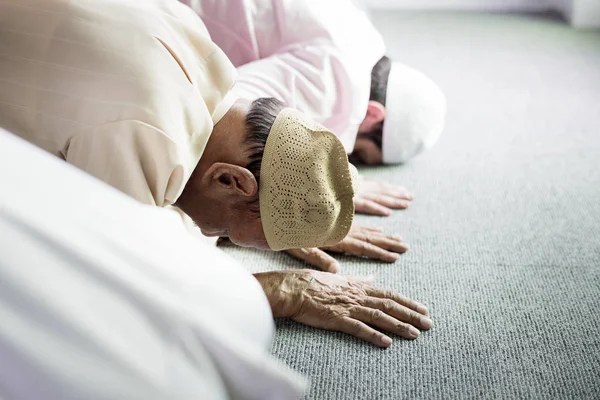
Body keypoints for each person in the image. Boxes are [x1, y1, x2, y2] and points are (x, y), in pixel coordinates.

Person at [0, 131, 432, 400]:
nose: (255, 245)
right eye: (270, 236)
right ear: (232, 181)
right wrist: (282, 289)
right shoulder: (138, 143)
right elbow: (113, 278)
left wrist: (289, 211)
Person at [0, 0, 368, 253]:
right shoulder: (149, 135)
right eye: (224, 231)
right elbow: (118, 267)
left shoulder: (196, 41)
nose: (210, 234)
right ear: (229, 180)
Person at [181, 0, 447, 208]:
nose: (351, 160)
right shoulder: (334, 79)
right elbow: (221, 111)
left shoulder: (360, 34)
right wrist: (321, 191)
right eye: (361, 155)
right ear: (373, 115)